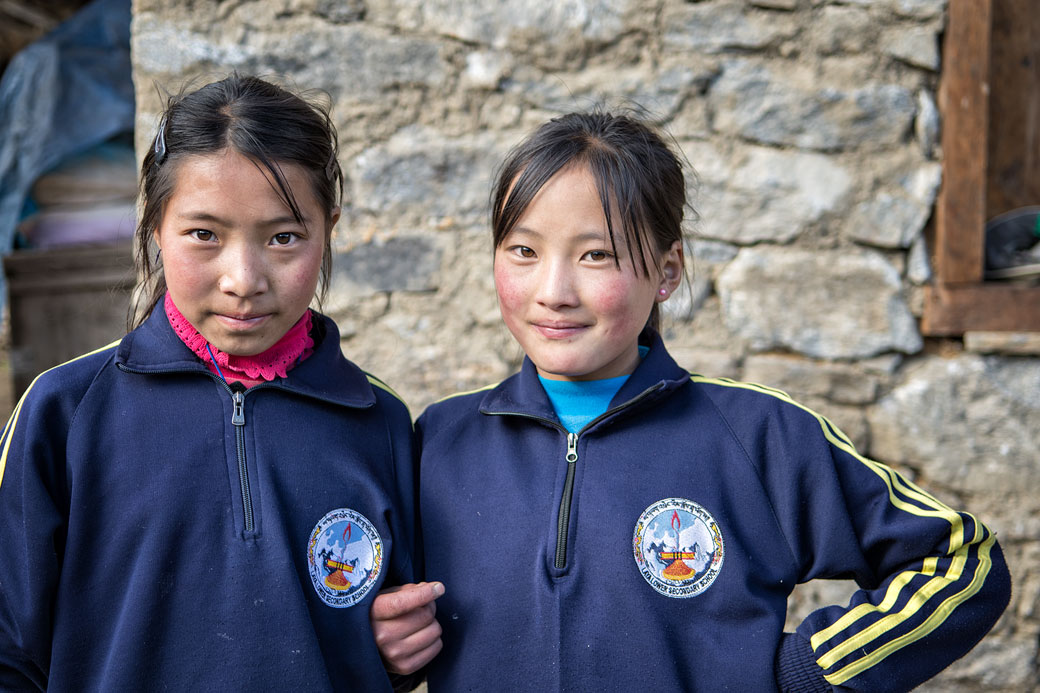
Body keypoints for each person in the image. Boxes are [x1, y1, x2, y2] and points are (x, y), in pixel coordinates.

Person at [372, 111, 1011, 691]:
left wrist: (810, 670)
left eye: (596, 255)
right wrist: (390, 655)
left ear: (668, 272)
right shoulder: (440, 440)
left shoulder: (759, 436)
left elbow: (963, 561)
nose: (553, 290)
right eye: (523, 251)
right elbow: (380, 618)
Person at [0, 74, 419, 691]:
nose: (243, 278)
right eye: (204, 235)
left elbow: (389, 636)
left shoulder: (376, 420)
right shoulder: (65, 411)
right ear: (154, 227)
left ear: (328, 228)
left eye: (283, 238)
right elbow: (11, 650)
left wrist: (391, 651)